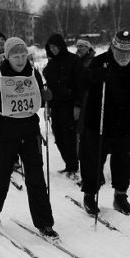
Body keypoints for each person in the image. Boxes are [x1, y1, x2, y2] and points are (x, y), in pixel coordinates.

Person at [0, 37, 58, 238]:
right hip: (3, 132)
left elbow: (37, 99)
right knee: (2, 175)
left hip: (29, 131)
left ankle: (44, 223)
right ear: (7, 56)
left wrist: (45, 97)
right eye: (16, 56)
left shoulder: (32, 72)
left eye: (23, 55)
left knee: (36, 178)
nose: (21, 60)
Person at [79, 30, 130, 216]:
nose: (124, 56)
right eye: (120, 52)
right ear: (113, 48)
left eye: (127, 52)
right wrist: (95, 76)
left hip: (123, 123)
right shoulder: (99, 62)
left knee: (124, 161)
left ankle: (120, 196)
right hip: (98, 122)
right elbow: (81, 83)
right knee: (93, 160)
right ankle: (90, 195)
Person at [42, 33, 82, 177]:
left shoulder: (74, 60)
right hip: (55, 106)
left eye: (55, 46)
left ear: (61, 45)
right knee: (58, 137)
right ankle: (68, 164)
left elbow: (80, 84)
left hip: (70, 105)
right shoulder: (51, 63)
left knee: (69, 136)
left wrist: (78, 105)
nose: (53, 49)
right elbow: (48, 82)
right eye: (50, 47)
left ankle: (73, 166)